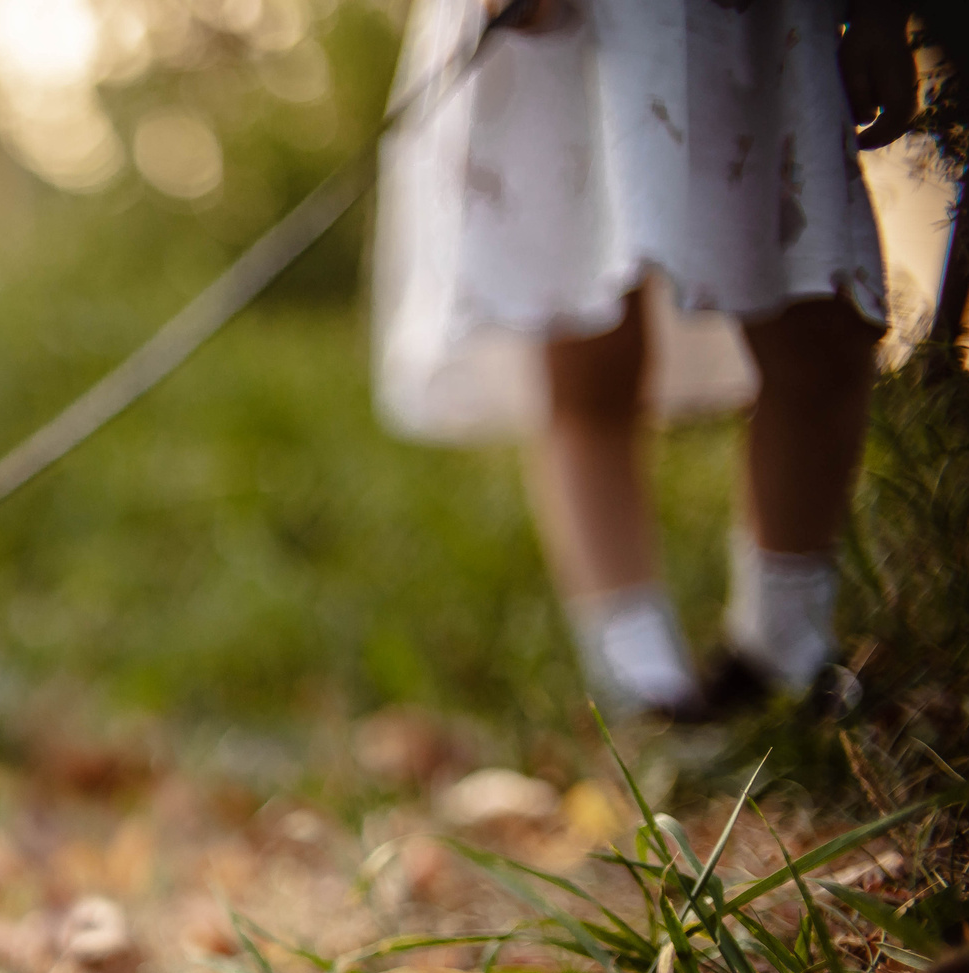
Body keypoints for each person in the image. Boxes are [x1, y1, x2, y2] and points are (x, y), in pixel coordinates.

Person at [373, 0, 921, 720]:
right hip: (569, 26)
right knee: (584, 326)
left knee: (820, 324)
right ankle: (643, 689)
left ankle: (781, 653)